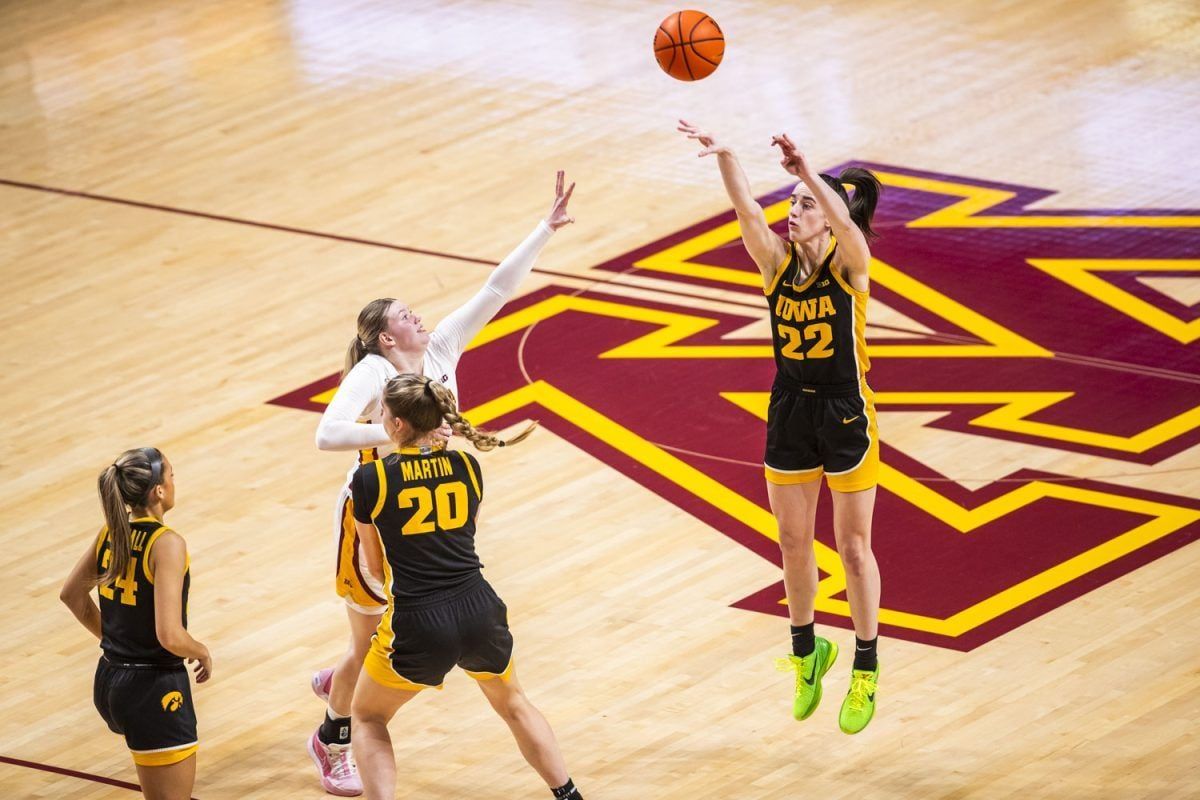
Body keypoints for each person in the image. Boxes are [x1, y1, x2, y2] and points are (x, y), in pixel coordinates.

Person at [308, 172, 576, 794]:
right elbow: (327, 434)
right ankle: (331, 737)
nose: (419, 314)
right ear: (384, 336)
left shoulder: (441, 352)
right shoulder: (374, 372)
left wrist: (544, 229)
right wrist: (396, 440)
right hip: (372, 512)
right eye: (406, 314)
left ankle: (341, 682)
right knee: (372, 639)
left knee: (377, 639)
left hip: (418, 505)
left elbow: (496, 289)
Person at [678, 120, 884, 734]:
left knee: (851, 548)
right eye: (791, 203)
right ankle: (806, 652)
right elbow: (744, 209)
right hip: (791, 408)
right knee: (793, 544)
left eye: (804, 205)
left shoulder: (851, 266)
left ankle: (866, 666)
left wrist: (806, 172)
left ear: (825, 214)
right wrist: (729, 155)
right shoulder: (774, 265)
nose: (792, 212)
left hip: (847, 411)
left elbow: (848, 227)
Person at [349, 374, 582, 800]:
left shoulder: (371, 480)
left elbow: (375, 568)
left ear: (398, 425)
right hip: (479, 607)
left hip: (417, 621)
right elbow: (465, 534)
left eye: (383, 411)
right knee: (514, 705)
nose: (379, 417)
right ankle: (567, 793)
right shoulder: (467, 466)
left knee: (366, 717)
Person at [60, 447, 213, 799]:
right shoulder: (167, 544)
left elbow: (72, 595)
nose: (175, 481)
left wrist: (119, 641)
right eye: (171, 475)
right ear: (159, 491)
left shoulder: (110, 533)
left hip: (110, 678)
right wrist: (200, 649)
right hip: (153, 689)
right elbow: (170, 635)